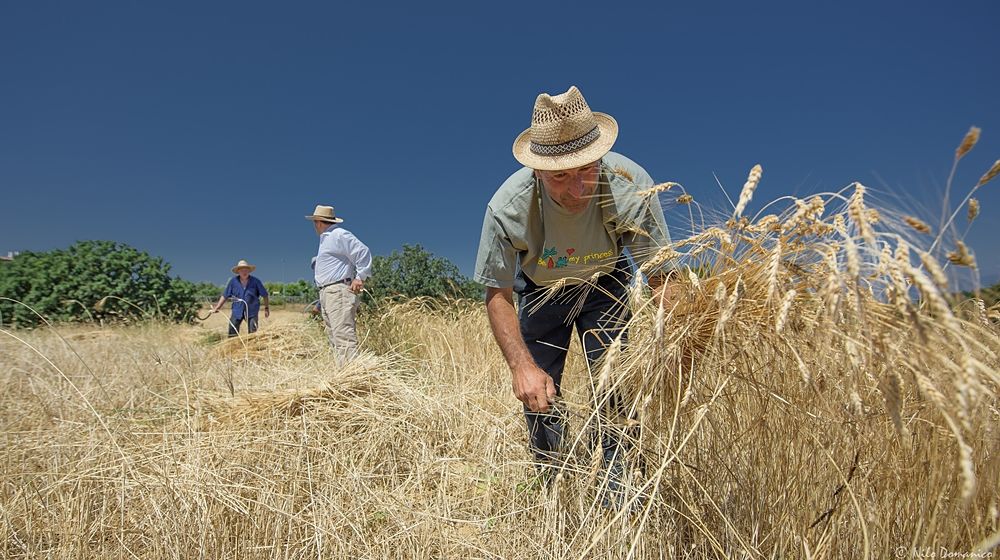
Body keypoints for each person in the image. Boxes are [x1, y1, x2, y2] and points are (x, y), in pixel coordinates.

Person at [474, 86, 672, 497]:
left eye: (586, 169)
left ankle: (620, 492)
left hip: (606, 284)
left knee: (616, 386)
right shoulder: (508, 207)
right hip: (541, 291)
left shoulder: (631, 185)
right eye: (561, 176)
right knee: (540, 394)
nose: (578, 189)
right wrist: (520, 368)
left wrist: (673, 341)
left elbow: (661, 276)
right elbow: (498, 294)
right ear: (538, 171)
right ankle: (551, 482)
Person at [306, 204, 372, 361]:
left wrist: (360, 277)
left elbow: (363, 252)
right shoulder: (327, 239)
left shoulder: (338, 235)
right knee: (335, 337)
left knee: (343, 337)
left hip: (337, 290)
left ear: (318, 222)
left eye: (314, 222)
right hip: (327, 292)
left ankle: (353, 379)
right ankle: (344, 376)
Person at [211, 259, 269, 337]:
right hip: (237, 310)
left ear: (249, 271)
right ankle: (232, 347)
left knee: (253, 332)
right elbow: (225, 295)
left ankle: (251, 348)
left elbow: (265, 295)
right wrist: (217, 308)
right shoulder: (233, 282)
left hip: (252, 310)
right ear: (238, 271)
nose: (244, 272)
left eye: (246, 270)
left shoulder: (256, 281)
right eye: (242, 270)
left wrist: (266, 308)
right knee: (232, 330)